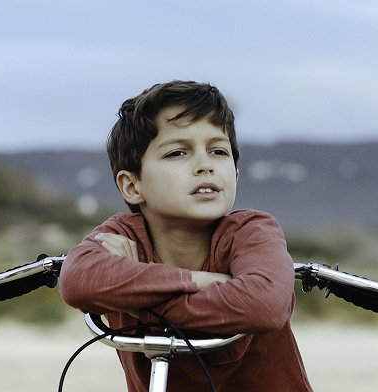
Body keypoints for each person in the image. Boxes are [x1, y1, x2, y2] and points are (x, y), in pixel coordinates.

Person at [59, 80, 312, 391]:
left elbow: (265, 303)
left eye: (218, 151)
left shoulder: (251, 232)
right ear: (132, 185)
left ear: (235, 174)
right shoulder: (122, 236)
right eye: (178, 153)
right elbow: (78, 280)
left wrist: (140, 297)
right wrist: (200, 280)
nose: (205, 165)